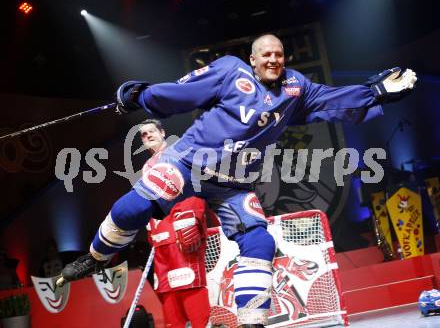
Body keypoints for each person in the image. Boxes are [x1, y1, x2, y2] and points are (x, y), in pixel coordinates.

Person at [58, 34, 417, 327]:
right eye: (266, 54)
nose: (273, 60)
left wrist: (375, 92)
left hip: (234, 183)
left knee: (259, 243)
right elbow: (182, 94)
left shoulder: (295, 88)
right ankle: (96, 256)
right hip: (190, 165)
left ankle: (251, 321)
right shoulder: (230, 72)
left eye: (279, 54)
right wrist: (140, 95)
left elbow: (330, 100)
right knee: (130, 208)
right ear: (253, 58)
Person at [142, 119, 213, 328]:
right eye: (143, 134)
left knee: (191, 289)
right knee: (170, 305)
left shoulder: (178, 154)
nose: (147, 136)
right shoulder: (147, 167)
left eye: (151, 131)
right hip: (161, 243)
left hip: (181, 236)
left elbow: (199, 186)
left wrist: (191, 216)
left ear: (162, 132)